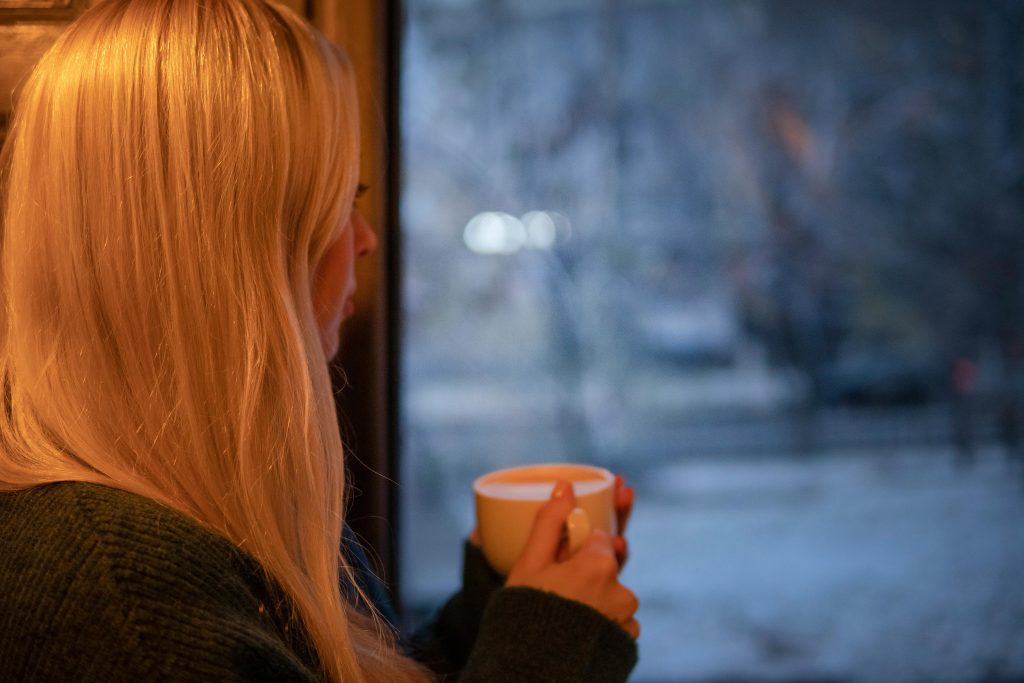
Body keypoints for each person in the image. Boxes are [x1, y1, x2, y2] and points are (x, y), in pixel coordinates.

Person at [0, 1, 640, 681]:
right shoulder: (114, 603)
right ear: (227, 254)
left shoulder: (206, 511)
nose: (363, 239)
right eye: (339, 199)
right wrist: (547, 654)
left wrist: (496, 611)